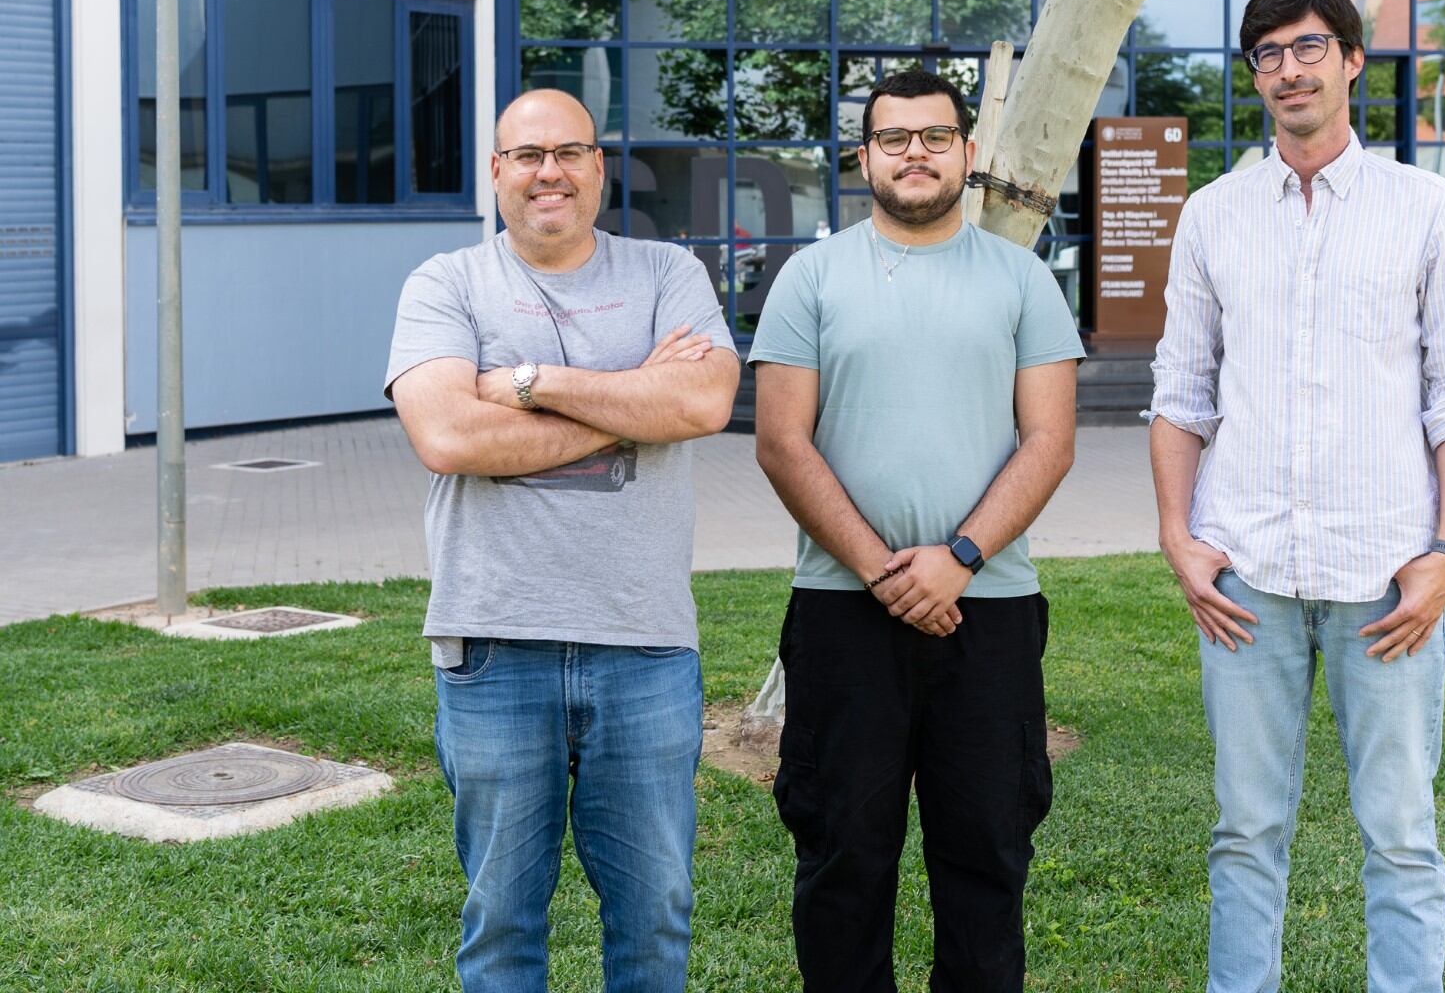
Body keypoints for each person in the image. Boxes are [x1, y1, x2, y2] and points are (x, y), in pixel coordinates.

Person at [1147, 0, 1445, 993]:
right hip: (1244, 572)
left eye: (1307, 47)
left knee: (1399, 830)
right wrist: (1179, 533)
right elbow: (1183, 388)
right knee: (1245, 828)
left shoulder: (1426, 208)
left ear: (1351, 58)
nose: (1288, 68)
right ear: (1254, 76)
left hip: (1386, 571)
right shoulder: (1214, 215)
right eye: (1267, 53)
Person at [384, 89, 739, 993]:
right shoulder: (446, 282)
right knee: (501, 920)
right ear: (497, 172)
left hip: (646, 644)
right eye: (529, 154)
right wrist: (631, 406)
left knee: (656, 915)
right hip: (495, 644)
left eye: (571, 152)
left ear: (599, 167)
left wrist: (530, 382)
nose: (552, 171)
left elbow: (701, 402)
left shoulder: (668, 273)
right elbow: (450, 438)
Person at [749, 69, 1084, 993]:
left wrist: (961, 560)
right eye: (894, 139)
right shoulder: (810, 277)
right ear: (865, 159)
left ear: (968, 155)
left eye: (935, 137)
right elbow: (781, 443)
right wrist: (887, 574)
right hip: (841, 613)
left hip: (992, 613)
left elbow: (1049, 443)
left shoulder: (1021, 280)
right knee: (841, 860)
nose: (915, 155)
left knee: (984, 859)